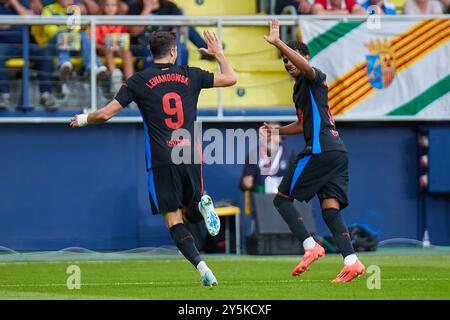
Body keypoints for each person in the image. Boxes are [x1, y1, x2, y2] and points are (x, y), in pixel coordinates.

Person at [70, 31, 237, 286]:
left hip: (162, 157)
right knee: (188, 208)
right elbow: (231, 78)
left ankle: (203, 268)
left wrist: (83, 119)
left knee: (173, 219)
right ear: (173, 52)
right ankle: (200, 204)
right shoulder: (190, 74)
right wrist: (219, 54)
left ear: (151, 53)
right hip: (191, 153)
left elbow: (105, 114)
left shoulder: (138, 81)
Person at [262, 19, 365, 283]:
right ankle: (352, 262)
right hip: (336, 152)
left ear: (304, 58)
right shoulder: (300, 91)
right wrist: (277, 131)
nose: (288, 64)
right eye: (284, 61)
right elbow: (302, 124)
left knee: (281, 199)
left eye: (292, 59)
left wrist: (278, 42)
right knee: (330, 210)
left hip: (320, 150)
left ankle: (310, 246)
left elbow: (306, 68)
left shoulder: (314, 76)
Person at [0, 0, 56, 109]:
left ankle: (46, 95)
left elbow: (30, 19)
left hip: (26, 44)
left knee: (45, 53)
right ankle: (3, 96)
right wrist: (20, 20)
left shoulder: (22, 2)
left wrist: (14, 3)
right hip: (4, 45)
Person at [41, 0, 108, 88]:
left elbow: (76, 29)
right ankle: (63, 62)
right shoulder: (48, 9)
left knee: (83, 34)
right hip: (54, 47)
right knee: (61, 33)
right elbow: (49, 31)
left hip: (72, 44)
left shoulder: (75, 10)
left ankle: (94, 67)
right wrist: (67, 31)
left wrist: (67, 30)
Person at [128, 0, 213, 68]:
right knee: (151, 49)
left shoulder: (169, 6)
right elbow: (134, 32)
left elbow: (180, 27)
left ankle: (207, 49)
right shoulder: (135, 7)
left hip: (166, 41)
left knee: (181, 47)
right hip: (143, 44)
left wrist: (169, 39)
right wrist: (147, 9)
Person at [240, 123, 297, 193]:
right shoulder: (254, 155)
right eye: (267, 133)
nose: (270, 137)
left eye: (274, 133)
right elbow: (244, 184)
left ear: (281, 138)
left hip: (282, 198)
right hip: (260, 199)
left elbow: (297, 179)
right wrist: (246, 183)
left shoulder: (290, 154)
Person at [96, 0, 134, 93]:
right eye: (107, 5)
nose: (110, 8)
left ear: (117, 7)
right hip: (103, 49)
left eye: (113, 5)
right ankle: (115, 78)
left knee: (127, 53)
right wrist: (103, 47)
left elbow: (125, 39)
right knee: (109, 49)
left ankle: (131, 84)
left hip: (119, 48)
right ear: (102, 7)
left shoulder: (121, 21)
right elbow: (94, 42)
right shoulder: (97, 20)